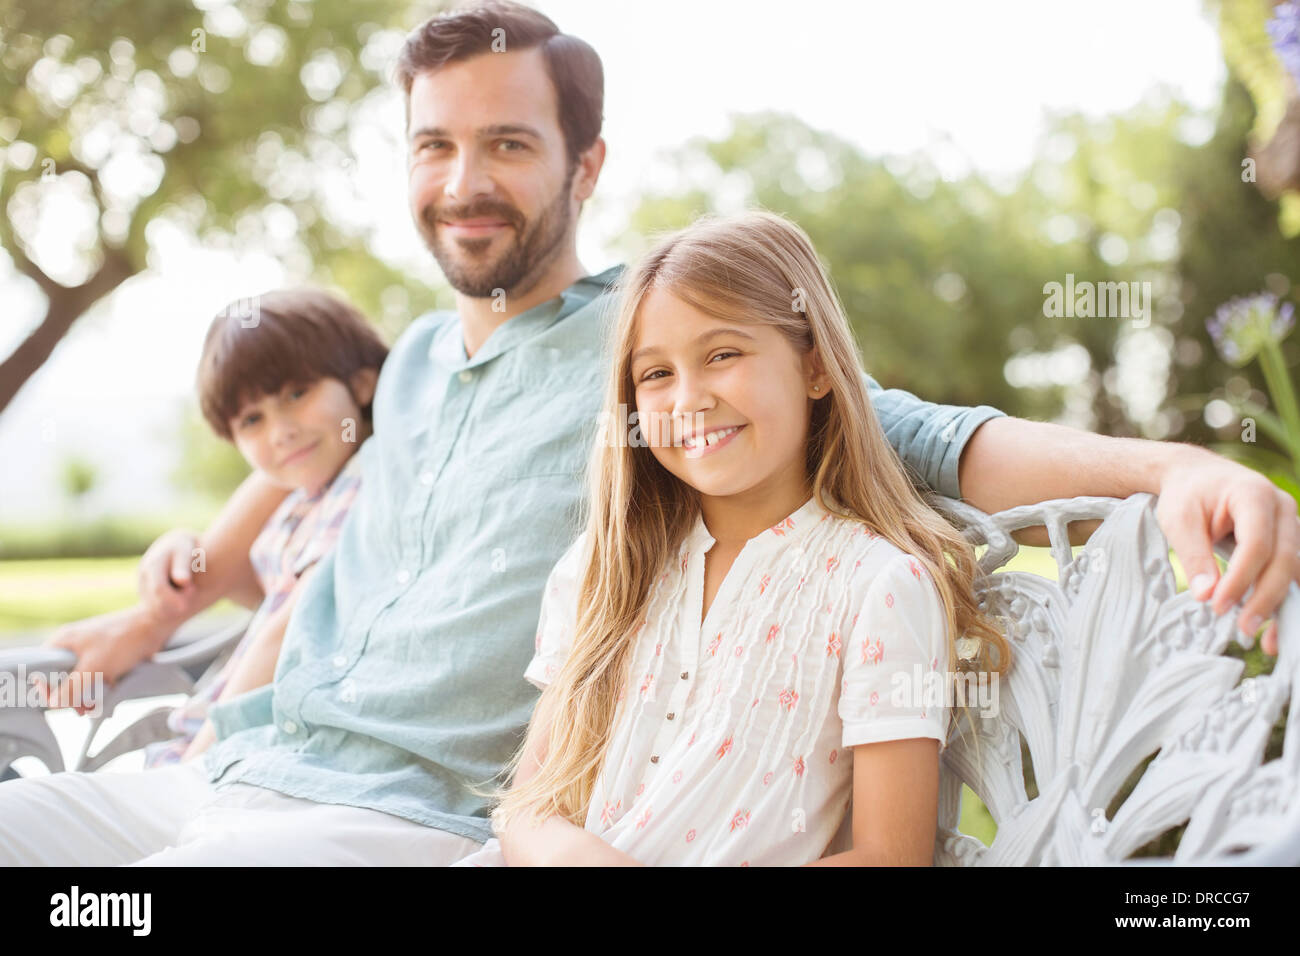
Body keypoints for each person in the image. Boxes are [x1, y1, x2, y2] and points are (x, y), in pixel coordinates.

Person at [0, 1, 1294, 867]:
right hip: (230, 760)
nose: (464, 183)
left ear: (586, 163)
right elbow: (301, 503)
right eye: (434, 146)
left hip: (389, 819)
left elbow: (927, 436)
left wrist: (1171, 462)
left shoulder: (646, 346)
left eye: (508, 144)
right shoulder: (397, 377)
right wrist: (165, 606)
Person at [459, 210, 1012, 867]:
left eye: (722, 354)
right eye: (656, 374)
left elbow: (891, 857)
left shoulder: (879, 588)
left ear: (814, 368)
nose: (687, 398)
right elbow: (528, 809)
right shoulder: (599, 571)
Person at [40, 289, 386, 769]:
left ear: (363, 384)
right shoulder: (303, 504)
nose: (280, 430)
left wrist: (191, 769)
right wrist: (184, 547)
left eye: (297, 393)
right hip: (217, 746)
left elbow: (300, 624)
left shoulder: (367, 475)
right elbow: (269, 595)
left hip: (244, 754)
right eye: (252, 419)